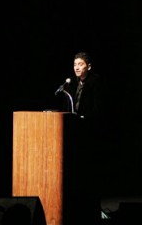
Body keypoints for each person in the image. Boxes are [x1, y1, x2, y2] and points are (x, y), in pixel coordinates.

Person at [58, 51, 106, 225]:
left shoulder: (96, 82)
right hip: (73, 131)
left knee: (88, 173)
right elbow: (67, 106)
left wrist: (84, 118)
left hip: (89, 132)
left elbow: (99, 107)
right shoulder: (70, 84)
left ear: (89, 67)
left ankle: (92, 210)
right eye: (75, 64)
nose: (77, 68)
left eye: (80, 64)